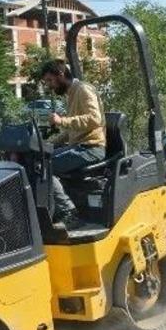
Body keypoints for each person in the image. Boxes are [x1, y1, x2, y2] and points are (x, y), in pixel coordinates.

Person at [39, 59, 106, 227]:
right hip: (79, 146)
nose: (49, 85)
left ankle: (70, 214)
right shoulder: (71, 93)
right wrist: (48, 145)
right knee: (39, 160)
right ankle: (53, 211)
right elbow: (71, 132)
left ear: (61, 75)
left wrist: (62, 120)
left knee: (45, 167)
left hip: (92, 147)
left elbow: (94, 119)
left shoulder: (83, 89)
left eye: (50, 80)